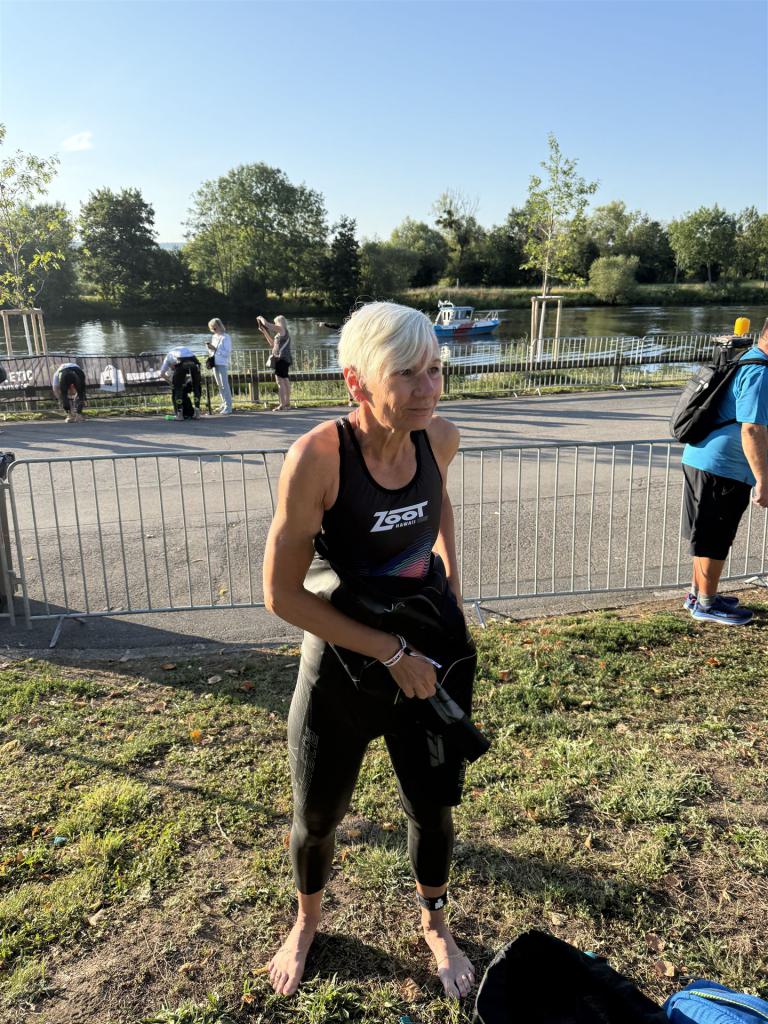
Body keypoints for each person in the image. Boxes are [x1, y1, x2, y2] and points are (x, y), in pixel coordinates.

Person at [262, 302, 478, 1000]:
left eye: (435, 369)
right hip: (343, 668)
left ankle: (435, 924)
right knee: (316, 816)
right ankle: (306, 922)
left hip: (425, 654)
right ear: (356, 382)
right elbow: (281, 595)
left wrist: (453, 591)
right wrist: (389, 652)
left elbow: (438, 503)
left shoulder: (438, 437)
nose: (428, 388)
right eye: (407, 374)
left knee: (432, 808)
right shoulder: (319, 458)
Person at [680, 315, 768, 624]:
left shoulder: (746, 358)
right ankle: (706, 605)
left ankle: (699, 595)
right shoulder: (760, 372)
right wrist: (763, 479)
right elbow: (752, 429)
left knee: (706, 533)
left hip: (704, 458)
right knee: (714, 537)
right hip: (722, 466)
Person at [257, 314, 292, 410]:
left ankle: (282, 404)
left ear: (279, 322)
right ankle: (287, 403)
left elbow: (267, 324)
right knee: (285, 381)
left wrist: (261, 318)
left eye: (275, 322)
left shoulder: (281, 329)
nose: (275, 324)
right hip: (284, 359)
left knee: (280, 382)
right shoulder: (281, 333)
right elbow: (272, 344)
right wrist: (264, 332)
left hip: (281, 359)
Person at [159, 345, 202, 420]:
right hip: (194, 362)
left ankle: (180, 415)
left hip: (181, 362)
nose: (173, 369)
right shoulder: (180, 351)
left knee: (178, 389)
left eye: (172, 369)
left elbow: (162, 374)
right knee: (196, 387)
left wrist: (171, 383)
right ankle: (197, 414)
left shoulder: (168, 357)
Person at [206, 318, 233, 415]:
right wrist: (209, 348)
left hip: (222, 363)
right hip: (214, 363)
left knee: (224, 385)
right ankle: (223, 403)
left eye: (215, 328)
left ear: (220, 326)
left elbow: (227, 353)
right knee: (219, 385)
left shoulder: (226, 337)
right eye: (212, 328)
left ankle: (228, 407)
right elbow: (213, 351)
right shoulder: (214, 337)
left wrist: (215, 349)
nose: (213, 330)